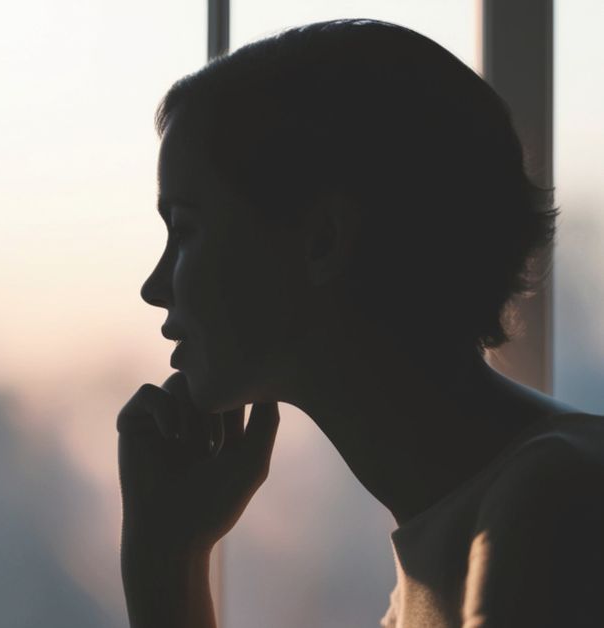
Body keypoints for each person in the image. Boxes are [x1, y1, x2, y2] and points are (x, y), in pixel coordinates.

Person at [116, 18, 604, 628]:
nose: (155, 287)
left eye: (185, 229)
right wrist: (168, 561)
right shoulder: (446, 564)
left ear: (322, 240)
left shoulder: (555, 509)